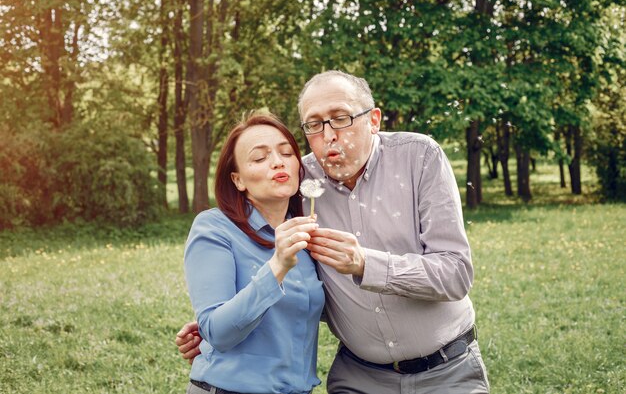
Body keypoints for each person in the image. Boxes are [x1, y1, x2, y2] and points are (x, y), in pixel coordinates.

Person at [178, 71, 490, 394]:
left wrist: (365, 264)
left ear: (374, 120)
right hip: (359, 378)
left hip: (447, 370)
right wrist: (214, 324)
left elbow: (456, 273)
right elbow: (271, 284)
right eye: (314, 125)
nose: (328, 135)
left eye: (340, 118)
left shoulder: (419, 157)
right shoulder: (300, 183)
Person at [183, 112, 324, 394]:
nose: (277, 161)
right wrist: (277, 267)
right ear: (237, 180)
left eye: (286, 153)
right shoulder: (214, 228)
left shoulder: (306, 235)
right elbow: (219, 333)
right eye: (259, 158)